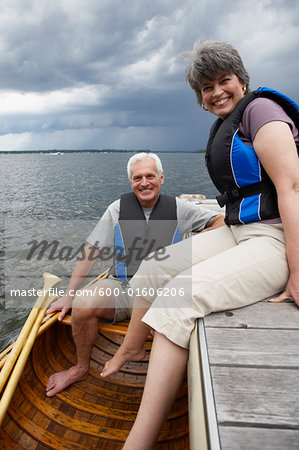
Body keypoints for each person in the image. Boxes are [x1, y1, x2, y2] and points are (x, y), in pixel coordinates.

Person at [101, 40, 299, 448]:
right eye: (206, 87)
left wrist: (297, 270)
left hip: (277, 237)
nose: (216, 92)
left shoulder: (261, 111)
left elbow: (291, 186)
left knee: (177, 296)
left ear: (241, 80)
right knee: (156, 265)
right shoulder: (224, 122)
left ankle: (137, 442)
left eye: (224, 80)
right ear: (201, 98)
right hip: (240, 230)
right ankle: (133, 348)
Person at [45, 151, 224, 397]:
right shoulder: (117, 209)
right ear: (131, 183)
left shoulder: (180, 208)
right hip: (124, 286)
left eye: (150, 176)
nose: (144, 183)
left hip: (162, 295)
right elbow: (91, 251)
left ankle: (149, 359)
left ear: (162, 178)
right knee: (82, 304)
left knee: (174, 323)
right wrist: (68, 295)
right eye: (137, 178)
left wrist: (196, 244)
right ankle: (80, 367)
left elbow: (220, 221)